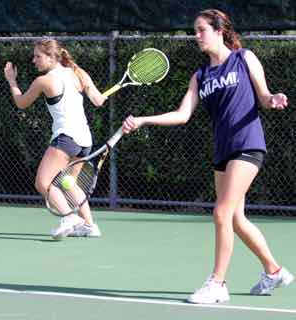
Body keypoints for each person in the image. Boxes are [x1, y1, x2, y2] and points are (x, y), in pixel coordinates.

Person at [122, 9, 294, 304]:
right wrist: (143, 120)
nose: (196, 35)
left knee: (220, 213)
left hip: (248, 145)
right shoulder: (200, 75)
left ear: (219, 30)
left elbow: (264, 97)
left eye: (201, 29)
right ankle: (274, 270)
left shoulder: (244, 59)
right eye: (195, 30)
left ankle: (218, 284)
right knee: (236, 219)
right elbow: (182, 114)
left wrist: (273, 98)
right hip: (222, 151)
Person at [4, 39, 107, 240]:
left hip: (66, 138)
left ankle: (69, 218)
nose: (34, 60)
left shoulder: (45, 81)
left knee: (43, 183)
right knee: (69, 183)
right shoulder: (77, 71)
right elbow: (98, 100)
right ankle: (89, 225)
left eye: (38, 56)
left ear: (52, 57)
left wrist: (11, 81)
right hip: (84, 140)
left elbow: (21, 103)